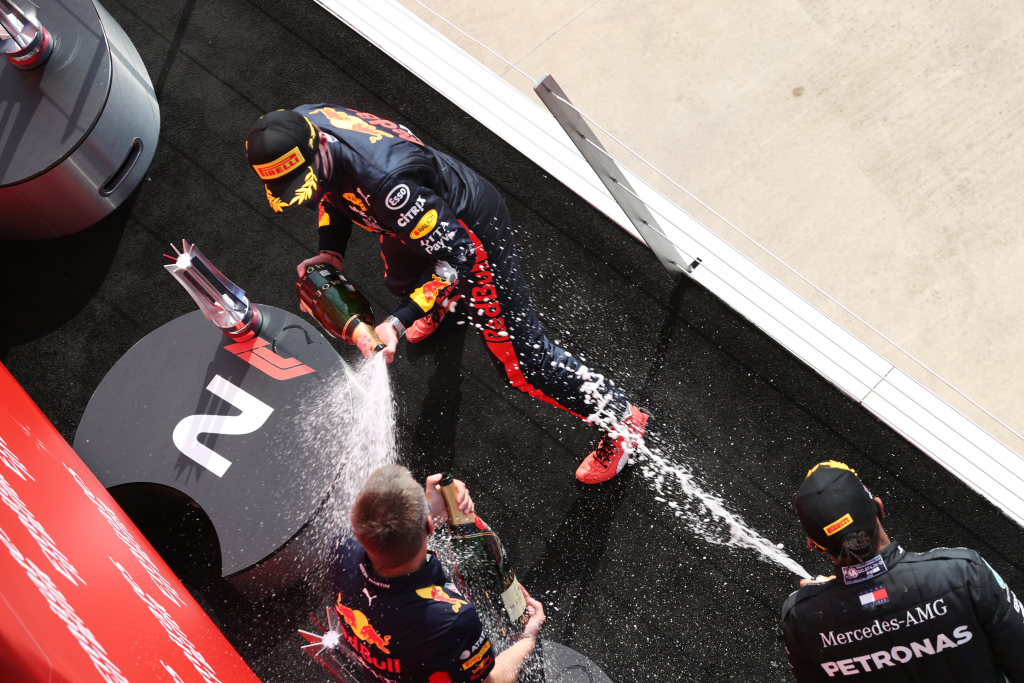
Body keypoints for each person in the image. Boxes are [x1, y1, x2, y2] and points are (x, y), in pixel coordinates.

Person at [245, 105, 649, 484]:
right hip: (408, 217)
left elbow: (458, 258)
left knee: (523, 367)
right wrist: (330, 249)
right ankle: (439, 304)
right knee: (400, 282)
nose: (305, 193)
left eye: (304, 181)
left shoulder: (386, 185)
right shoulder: (301, 123)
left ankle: (621, 419)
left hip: (469, 235)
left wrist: (397, 321)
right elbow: (329, 192)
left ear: (320, 147)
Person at [780, 460, 1024, 681]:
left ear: (815, 546)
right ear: (879, 508)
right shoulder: (963, 572)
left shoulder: (800, 619)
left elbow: (872, 599)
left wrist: (824, 602)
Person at [329, 465, 545, 683]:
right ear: (430, 526)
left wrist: (430, 513)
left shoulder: (342, 549)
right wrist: (526, 639)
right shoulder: (453, 619)